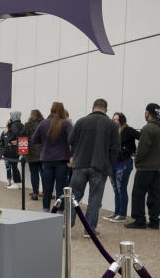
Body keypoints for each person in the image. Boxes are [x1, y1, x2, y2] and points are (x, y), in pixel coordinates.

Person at [68, 98, 120, 237]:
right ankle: (89, 230)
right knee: (94, 199)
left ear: (93, 107)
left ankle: (67, 226)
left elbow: (70, 140)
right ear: (106, 109)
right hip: (100, 166)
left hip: (80, 164)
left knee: (74, 196)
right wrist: (108, 163)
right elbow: (115, 149)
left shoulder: (81, 121)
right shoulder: (111, 125)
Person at [127, 103, 160, 229]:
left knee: (138, 194)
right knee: (155, 193)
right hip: (159, 167)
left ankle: (139, 220)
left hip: (146, 168)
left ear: (147, 112)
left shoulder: (148, 128)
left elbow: (143, 149)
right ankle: (154, 221)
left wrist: (137, 161)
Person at [31, 102, 73, 211]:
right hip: (62, 160)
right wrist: (71, 155)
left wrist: (45, 142)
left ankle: (46, 210)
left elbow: (34, 139)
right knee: (60, 188)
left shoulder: (43, 123)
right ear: (63, 110)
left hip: (47, 160)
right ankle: (59, 212)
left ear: (51, 110)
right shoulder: (66, 124)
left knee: (47, 188)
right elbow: (73, 139)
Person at [104, 112, 136, 222]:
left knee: (121, 188)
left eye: (117, 119)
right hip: (113, 164)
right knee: (116, 189)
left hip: (124, 164)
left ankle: (122, 215)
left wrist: (131, 150)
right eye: (113, 119)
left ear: (122, 120)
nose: (115, 121)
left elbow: (140, 136)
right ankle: (116, 213)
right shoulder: (113, 132)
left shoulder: (127, 130)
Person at [21, 109, 44, 200]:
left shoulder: (27, 125)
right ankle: (46, 193)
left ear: (31, 115)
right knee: (44, 174)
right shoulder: (44, 124)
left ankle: (35, 193)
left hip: (31, 154)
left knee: (34, 174)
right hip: (43, 154)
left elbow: (23, 139)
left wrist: (23, 154)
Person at [1, 112, 24, 188]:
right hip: (19, 150)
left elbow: (11, 138)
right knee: (13, 167)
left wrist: (10, 142)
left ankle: (17, 183)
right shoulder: (22, 126)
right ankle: (17, 183)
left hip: (12, 150)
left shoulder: (14, 126)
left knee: (14, 167)